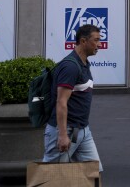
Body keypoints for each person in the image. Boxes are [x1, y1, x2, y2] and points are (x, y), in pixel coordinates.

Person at [42, 24, 103, 172]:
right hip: (65, 130)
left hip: (82, 130)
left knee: (93, 173)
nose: (99, 45)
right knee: (51, 178)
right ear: (83, 41)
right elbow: (61, 102)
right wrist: (62, 135)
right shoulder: (70, 67)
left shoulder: (84, 64)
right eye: (96, 40)